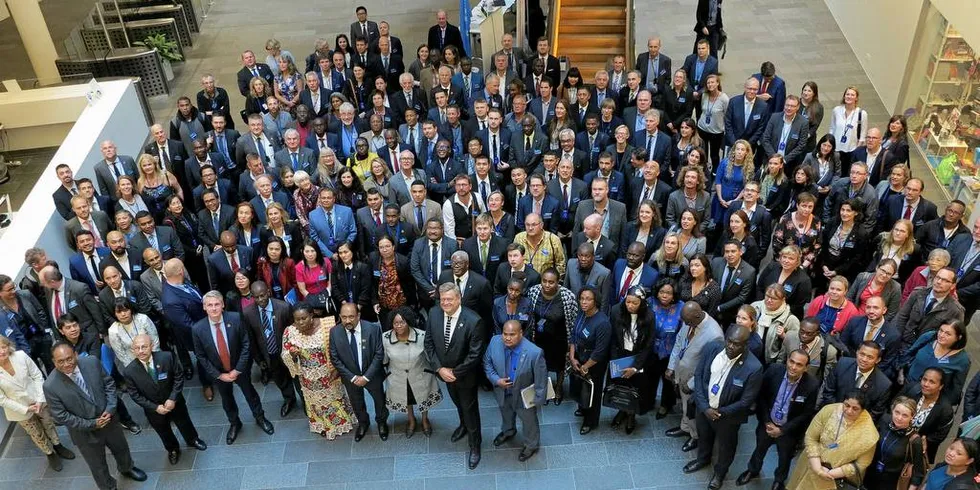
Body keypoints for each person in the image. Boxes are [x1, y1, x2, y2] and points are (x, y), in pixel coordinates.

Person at [43, 343, 147, 489]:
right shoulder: (50, 386)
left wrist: (110, 408)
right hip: (84, 432)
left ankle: (127, 468)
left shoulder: (91, 362)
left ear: (75, 355)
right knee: (97, 464)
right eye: (60, 361)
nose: (66, 364)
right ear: (54, 362)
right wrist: (92, 424)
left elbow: (109, 384)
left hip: (109, 420)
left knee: (121, 448)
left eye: (69, 358)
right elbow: (61, 416)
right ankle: (108, 486)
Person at [683, 325, 763, 490]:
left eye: (737, 344)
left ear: (746, 344)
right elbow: (698, 376)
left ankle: (720, 473)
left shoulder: (754, 367)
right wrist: (705, 407)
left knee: (726, 447)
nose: (731, 347)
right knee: (704, 436)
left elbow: (746, 401)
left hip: (727, 418)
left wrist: (720, 412)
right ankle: (702, 459)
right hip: (704, 408)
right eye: (729, 341)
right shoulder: (713, 348)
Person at [191, 291, 274, 444]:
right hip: (219, 374)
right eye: (210, 305)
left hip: (239, 369)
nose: (214, 308)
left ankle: (260, 417)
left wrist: (238, 369)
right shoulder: (197, 329)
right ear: (204, 307)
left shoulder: (235, 318)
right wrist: (218, 375)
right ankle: (235, 423)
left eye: (217, 304)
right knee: (227, 399)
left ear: (223, 305)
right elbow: (201, 356)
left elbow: (246, 344)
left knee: (250, 393)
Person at [736, 349, 820, 490]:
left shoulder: (812, 384)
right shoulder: (774, 371)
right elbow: (761, 397)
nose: (793, 367)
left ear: (806, 368)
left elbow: (806, 414)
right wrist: (767, 421)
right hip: (767, 423)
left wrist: (782, 430)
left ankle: (779, 480)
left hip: (788, 430)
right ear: (787, 360)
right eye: (791, 361)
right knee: (759, 449)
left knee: (785, 457)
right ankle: (753, 470)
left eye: (799, 364)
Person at [425, 283, 484, 468]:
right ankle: (463, 426)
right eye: (442, 299)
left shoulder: (474, 321)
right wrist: (439, 369)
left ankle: (475, 444)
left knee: (470, 410)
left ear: (459, 298)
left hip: (465, 377)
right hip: (445, 374)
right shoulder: (434, 314)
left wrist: (455, 373)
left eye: (449, 299)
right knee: (458, 404)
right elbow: (428, 344)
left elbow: (475, 354)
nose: (446, 303)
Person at [122, 334, 206, 465]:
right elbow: (135, 395)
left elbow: (178, 377)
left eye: (144, 347)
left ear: (151, 346)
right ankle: (172, 449)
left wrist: (173, 398)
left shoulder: (167, 357)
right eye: (137, 348)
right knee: (163, 430)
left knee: (184, 422)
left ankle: (193, 439)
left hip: (175, 402)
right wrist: (155, 407)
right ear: (132, 350)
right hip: (153, 410)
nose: (141, 351)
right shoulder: (129, 371)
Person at [0, 335, 76, 470]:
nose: (2, 351)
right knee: (35, 432)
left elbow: (36, 375)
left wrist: (40, 399)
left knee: (48, 423)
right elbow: (2, 399)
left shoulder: (20, 356)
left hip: (37, 398)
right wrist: (25, 409)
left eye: (3, 347)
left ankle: (58, 445)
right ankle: (49, 452)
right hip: (19, 409)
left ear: (8, 346)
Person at [281, 303, 355, 439]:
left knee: (334, 400)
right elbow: (284, 354)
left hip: (329, 374)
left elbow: (340, 348)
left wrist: (338, 369)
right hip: (308, 378)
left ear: (312, 315)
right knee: (314, 403)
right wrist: (292, 355)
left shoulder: (328, 326)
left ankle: (341, 423)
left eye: (304, 318)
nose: (300, 322)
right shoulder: (290, 331)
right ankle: (321, 425)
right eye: (297, 319)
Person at [484, 320, 548, 461]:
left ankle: (531, 445)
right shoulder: (495, 342)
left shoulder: (534, 353)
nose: (507, 338)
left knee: (529, 421)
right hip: (503, 392)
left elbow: (541, 378)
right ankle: (508, 431)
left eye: (512, 334)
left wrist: (538, 399)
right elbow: (487, 363)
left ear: (521, 334)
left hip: (523, 396)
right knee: (506, 414)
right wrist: (496, 380)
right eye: (505, 334)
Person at [787, 391, 878, 489]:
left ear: (862, 410)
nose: (849, 411)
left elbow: (862, 463)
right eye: (846, 405)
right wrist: (817, 467)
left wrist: (832, 473)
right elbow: (811, 437)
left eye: (855, 409)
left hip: (835, 476)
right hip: (811, 462)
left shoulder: (869, 433)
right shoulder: (829, 411)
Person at [329, 303, 388, 441]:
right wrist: (353, 377)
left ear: (359, 316)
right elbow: (335, 358)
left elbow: (379, 354)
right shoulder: (335, 332)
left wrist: (366, 377)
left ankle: (381, 422)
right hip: (351, 379)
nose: (347, 321)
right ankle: (363, 423)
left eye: (351, 317)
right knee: (356, 402)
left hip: (372, 376)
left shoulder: (373, 329)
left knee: (380, 400)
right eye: (344, 317)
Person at [381, 306, 442, 438]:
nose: (398, 326)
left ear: (408, 321)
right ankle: (411, 420)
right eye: (395, 323)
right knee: (407, 399)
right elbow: (385, 360)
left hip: (420, 375)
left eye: (402, 322)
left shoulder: (421, 336)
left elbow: (430, 356)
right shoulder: (385, 338)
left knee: (423, 398)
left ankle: (425, 420)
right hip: (398, 377)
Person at [242, 281, 298, 416]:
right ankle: (289, 399)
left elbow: (294, 331)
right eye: (256, 297)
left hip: (288, 353)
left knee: (297, 378)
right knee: (280, 379)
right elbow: (251, 339)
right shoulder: (247, 313)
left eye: (262, 295)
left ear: (268, 292)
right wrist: (258, 359)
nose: (260, 300)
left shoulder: (284, 307)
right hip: (269, 355)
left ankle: (307, 403)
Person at [608, 286, 655, 434]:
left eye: (635, 303)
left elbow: (648, 344)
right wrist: (616, 362)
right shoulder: (616, 311)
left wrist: (635, 367)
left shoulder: (649, 316)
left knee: (635, 388)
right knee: (620, 386)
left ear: (642, 303)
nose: (630, 306)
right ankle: (621, 410)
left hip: (638, 359)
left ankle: (631, 415)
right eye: (628, 302)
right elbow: (613, 339)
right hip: (620, 356)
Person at [526, 268, 578, 401]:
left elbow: (573, 319)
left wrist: (571, 342)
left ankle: (559, 388)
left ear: (558, 282)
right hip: (538, 337)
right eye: (544, 281)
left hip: (559, 338)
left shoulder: (567, 296)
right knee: (541, 365)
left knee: (559, 365)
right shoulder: (533, 291)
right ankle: (544, 389)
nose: (547, 285)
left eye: (551, 282)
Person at [568, 286, 611, 434]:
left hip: (593, 364)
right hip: (579, 358)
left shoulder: (602, 323)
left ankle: (590, 421)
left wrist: (585, 367)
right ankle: (582, 407)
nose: (584, 302)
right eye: (582, 298)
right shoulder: (581, 314)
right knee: (580, 388)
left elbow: (600, 351)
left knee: (593, 393)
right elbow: (574, 335)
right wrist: (572, 357)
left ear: (596, 301)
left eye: (588, 299)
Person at [862, 396, 927, 490]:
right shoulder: (884, 420)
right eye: (897, 412)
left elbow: (918, 472)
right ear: (892, 410)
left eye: (905, 415)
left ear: (912, 417)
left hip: (891, 482)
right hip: (869, 474)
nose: (899, 418)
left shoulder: (914, 440)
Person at [902, 321, 971, 406]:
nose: (941, 335)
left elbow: (955, 389)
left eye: (948, 334)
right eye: (941, 330)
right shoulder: (929, 337)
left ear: (958, 337)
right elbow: (910, 353)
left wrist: (941, 405)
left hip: (928, 399)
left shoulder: (962, 361)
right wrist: (900, 371)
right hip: (907, 385)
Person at [820, 341, 892, 421]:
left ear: (878, 360)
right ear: (857, 352)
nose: (864, 359)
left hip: (857, 424)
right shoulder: (842, 364)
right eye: (862, 354)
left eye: (870, 357)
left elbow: (875, 413)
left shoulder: (884, 384)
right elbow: (828, 392)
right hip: (833, 414)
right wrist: (837, 414)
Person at [895, 268, 964, 349]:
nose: (939, 282)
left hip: (926, 349)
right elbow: (902, 317)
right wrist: (898, 339)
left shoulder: (955, 310)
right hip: (904, 341)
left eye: (945, 280)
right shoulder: (918, 293)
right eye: (938, 277)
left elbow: (953, 336)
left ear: (952, 286)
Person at [837, 296, 902, 380]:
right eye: (868, 307)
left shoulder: (893, 335)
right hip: (850, 366)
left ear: (884, 310)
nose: (871, 311)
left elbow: (887, 361)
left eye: (875, 308)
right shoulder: (854, 322)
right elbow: (843, 343)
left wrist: (868, 374)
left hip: (873, 374)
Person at [816, 198, 869, 291]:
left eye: (848, 210)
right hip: (826, 265)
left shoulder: (861, 232)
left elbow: (857, 257)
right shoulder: (833, 222)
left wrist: (837, 271)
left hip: (844, 270)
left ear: (856, 213)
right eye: (842, 210)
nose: (844, 213)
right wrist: (824, 265)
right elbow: (823, 244)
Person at [650, 278, 683, 419]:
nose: (664, 295)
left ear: (674, 294)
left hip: (670, 352)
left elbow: (683, 334)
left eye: (668, 293)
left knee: (668, 381)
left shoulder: (682, 307)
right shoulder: (649, 303)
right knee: (650, 378)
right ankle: (648, 401)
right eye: (662, 292)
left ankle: (665, 405)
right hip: (651, 350)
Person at [908, 368, 955, 464]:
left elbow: (940, 435)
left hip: (917, 450)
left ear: (940, 386)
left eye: (932, 382)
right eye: (924, 379)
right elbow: (895, 404)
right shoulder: (912, 389)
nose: (926, 384)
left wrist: (919, 440)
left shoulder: (945, 410)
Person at [755, 246, 812, 320]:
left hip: (786, 315)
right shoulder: (772, 266)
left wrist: (777, 312)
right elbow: (760, 287)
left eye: (791, 258)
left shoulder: (804, 280)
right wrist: (763, 305)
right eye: (784, 257)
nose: (786, 260)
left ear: (797, 261)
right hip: (763, 308)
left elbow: (798, 305)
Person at [750, 283, 800, 366]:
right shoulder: (755, 307)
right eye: (767, 296)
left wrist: (784, 336)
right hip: (751, 354)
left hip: (770, 363)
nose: (769, 300)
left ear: (783, 299)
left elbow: (794, 348)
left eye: (774, 298)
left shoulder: (791, 320)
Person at [711, 240, 756, 327]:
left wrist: (720, 308)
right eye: (727, 251)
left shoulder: (749, 271)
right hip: (712, 306)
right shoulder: (716, 262)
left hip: (731, 312)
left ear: (740, 252)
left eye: (733, 251)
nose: (730, 254)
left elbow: (742, 297)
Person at [829, 87, 869, 174]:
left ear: (856, 98)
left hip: (851, 150)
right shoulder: (836, 110)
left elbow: (863, 136)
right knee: (834, 172)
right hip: (836, 149)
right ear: (844, 96)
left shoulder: (862, 114)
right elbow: (832, 128)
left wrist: (857, 151)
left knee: (847, 174)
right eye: (847, 94)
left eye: (852, 95)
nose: (849, 96)